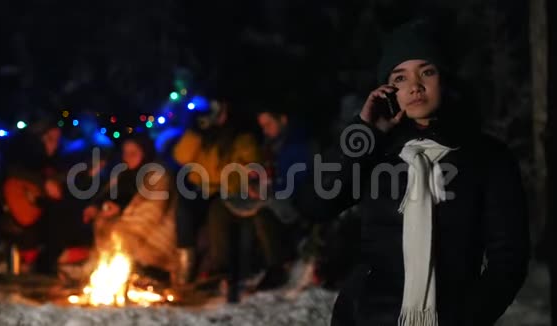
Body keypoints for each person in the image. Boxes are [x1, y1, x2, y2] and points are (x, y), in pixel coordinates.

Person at [298, 20, 529, 325]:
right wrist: (364, 132)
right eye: (400, 77)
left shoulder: (488, 157)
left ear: (445, 78)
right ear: (389, 90)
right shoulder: (377, 151)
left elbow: (508, 261)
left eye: (427, 72)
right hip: (368, 317)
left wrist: (468, 318)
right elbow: (314, 204)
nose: (415, 86)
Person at [172, 97, 261, 288]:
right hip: (200, 189)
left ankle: (220, 269)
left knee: (216, 211)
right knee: (184, 208)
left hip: (226, 190)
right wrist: (194, 133)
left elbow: (247, 166)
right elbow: (181, 157)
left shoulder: (241, 138)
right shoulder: (204, 136)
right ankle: (186, 266)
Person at [0, 120, 93, 275]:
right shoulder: (21, 158)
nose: (54, 145)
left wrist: (86, 177)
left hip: (43, 216)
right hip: (25, 218)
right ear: (38, 139)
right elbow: (12, 174)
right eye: (50, 139)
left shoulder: (55, 163)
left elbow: (63, 185)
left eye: (57, 140)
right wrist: (44, 183)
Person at [84, 133, 178, 278]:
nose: (128, 157)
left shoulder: (157, 176)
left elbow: (150, 213)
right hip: (124, 234)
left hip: (150, 242)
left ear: (145, 153)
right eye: (126, 153)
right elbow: (107, 196)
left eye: (133, 153)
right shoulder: (123, 174)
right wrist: (97, 207)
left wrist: (120, 212)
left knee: (117, 237)